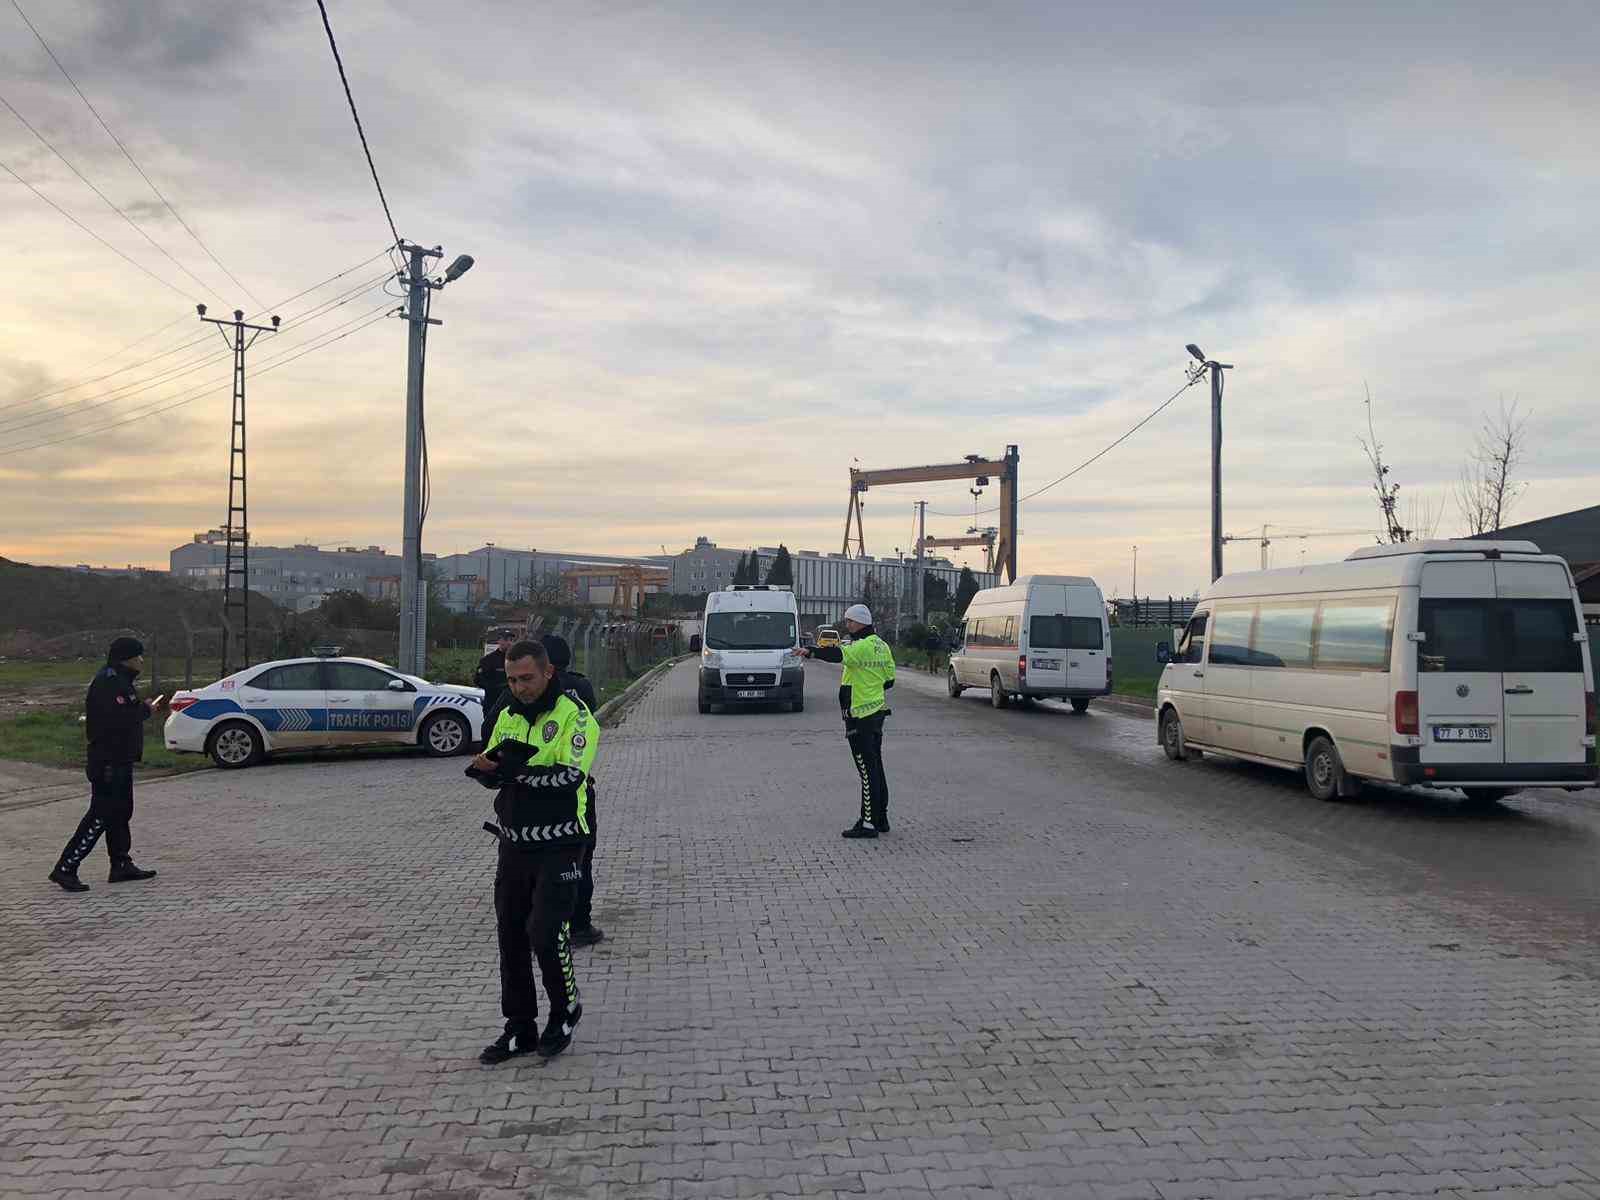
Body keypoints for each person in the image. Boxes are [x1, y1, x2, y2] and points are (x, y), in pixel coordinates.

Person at [467, 639, 598, 1063]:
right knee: (511, 937)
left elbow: (568, 777)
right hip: (513, 842)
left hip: (561, 843)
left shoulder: (575, 717)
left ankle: (564, 1011)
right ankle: (519, 1027)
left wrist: (512, 772)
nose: (519, 687)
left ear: (547, 674)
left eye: (526, 678)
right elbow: (492, 770)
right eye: (511, 679)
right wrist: (487, 770)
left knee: (545, 931)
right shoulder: (505, 714)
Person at [48, 636, 165, 892]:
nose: (142, 660)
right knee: (100, 815)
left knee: (121, 813)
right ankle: (66, 867)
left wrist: (141, 709)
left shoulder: (122, 682)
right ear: (126, 658)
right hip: (108, 761)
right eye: (138, 656)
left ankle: (121, 864)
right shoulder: (108, 683)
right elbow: (118, 720)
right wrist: (145, 710)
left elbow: (126, 715)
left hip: (121, 760)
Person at [794, 604, 896, 839]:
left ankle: (868, 824)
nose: (847, 626)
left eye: (850, 622)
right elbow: (889, 680)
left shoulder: (860, 646)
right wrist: (871, 686)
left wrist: (810, 651)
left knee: (866, 769)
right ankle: (881, 818)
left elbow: (836, 655)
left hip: (859, 716)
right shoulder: (882, 646)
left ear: (861, 622)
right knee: (876, 767)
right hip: (877, 712)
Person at [541, 633, 604, 947]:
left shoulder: (523, 693)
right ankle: (579, 924)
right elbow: (589, 724)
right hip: (573, 790)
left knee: (536, 860)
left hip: (530, 790)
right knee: (579, 858)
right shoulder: (580, 688)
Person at [474, 630, 514, 733]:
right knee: (491, 734)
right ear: (499, 641)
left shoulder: (516, 661)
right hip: (493, 705)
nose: (509, 642)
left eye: (511, 640)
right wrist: (498, 687)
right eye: (506, 639)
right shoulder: (488, 660)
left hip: (512, 707)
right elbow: (478, 680)